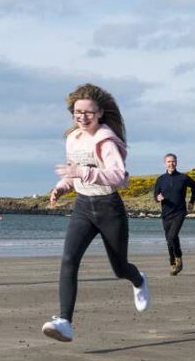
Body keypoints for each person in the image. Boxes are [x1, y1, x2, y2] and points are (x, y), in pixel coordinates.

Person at [41, 85, 148, 343]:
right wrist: (61, 188)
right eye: (78, 112)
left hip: (108, 208)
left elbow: (118, 177)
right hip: (82, 207)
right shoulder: (72, 138)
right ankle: (64, 321)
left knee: (119, 268)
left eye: (88, 113)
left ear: (99, 113)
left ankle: (138, 279)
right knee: (69, 259)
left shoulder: (106, 140)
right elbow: (73, 172)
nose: (82, 117)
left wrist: (83, 173)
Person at [152, 153, 195, 275]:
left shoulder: (183, 178)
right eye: (169, 161)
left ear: (176, 163)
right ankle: (176, 261)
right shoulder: (161, 179)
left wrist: (192, 201)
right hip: (166, 213)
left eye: (173, 161)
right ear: (165, 163)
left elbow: (194, 186)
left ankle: (175, 260)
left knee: (172, 237)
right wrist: (158, 197)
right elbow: (155, 195)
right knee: (169, 239)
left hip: (179, 212)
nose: (171, 163)